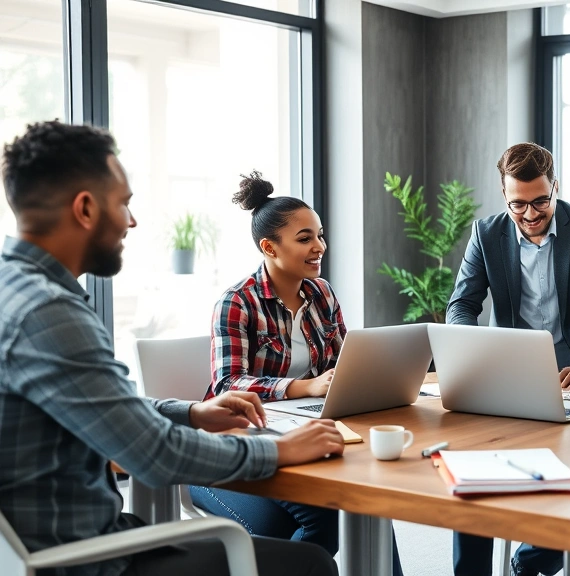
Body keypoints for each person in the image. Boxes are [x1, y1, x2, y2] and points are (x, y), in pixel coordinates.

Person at [0, 120, 342, 576]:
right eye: (124, 205)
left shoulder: (14, 290)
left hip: (53, 541)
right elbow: (156, 455)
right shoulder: (50, 313)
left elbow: (104, 405)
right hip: (86, 559)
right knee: (311, 564)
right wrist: (280, 451)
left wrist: (191, 412)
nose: (132, 221)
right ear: (85, 209)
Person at [190, 172, 404, 574]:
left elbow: (345, 362)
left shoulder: (321, 294)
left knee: (370, 498)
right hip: (226, 454)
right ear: (269, 247)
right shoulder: (236, 303)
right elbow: (228, 384)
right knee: (327, 516)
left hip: (298, 434)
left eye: (320, 235)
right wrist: (303, 386)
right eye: (305, 239)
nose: (319, 247)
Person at [446, 142, 570, 576]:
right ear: (504, 197)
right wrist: (474, 352)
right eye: (518, 204)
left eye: (541, 201)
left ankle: (528, 561)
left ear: (556, 189)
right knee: (475, 474)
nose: (530, 214)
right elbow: (461, 305)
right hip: (505, 372)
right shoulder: (486, 233)